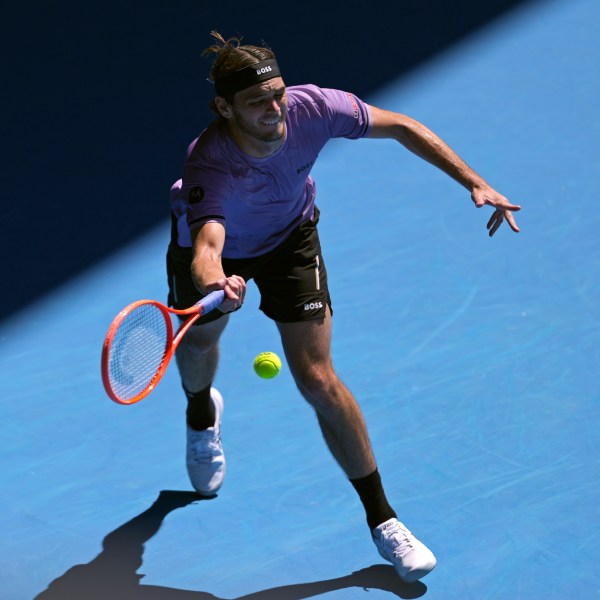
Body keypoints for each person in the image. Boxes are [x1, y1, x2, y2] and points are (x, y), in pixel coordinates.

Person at [166, 31, 521, 584]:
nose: (273, 107)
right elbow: (208, 245)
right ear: (224, 108)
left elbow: (401, 126)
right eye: (256, 101)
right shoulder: (210, 163)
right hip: (222, 249)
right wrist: (220, 282)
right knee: (201, 342)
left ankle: (385, 522)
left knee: (319, 379)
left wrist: (474, 182)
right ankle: (200, 413)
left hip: (290, 239)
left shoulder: (314, 107)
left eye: (277, 93)